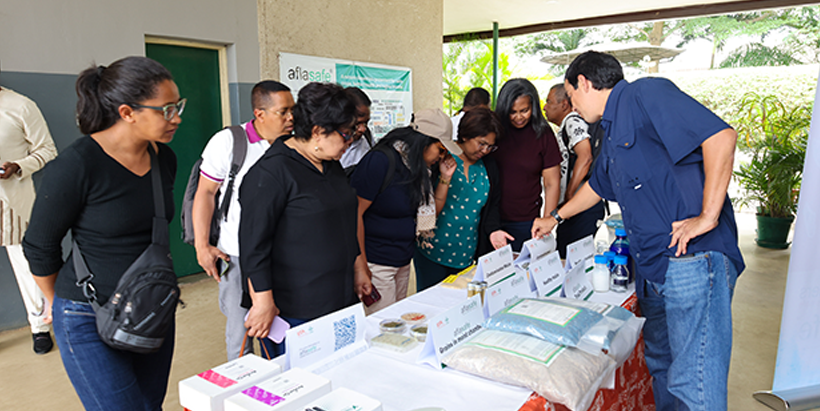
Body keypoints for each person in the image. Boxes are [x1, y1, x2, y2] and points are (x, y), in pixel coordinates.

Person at [532, 51, 744, 411]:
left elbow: (721, 136)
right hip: (653, 267)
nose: (572, 105)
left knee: (695, 382)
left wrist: (708, 216)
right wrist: (556, 216)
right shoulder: (611, 129)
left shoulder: (646, 94)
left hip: (692, 260)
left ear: (584, 82)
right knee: (661, 367)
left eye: (571, 95)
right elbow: (598, 187)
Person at [22, 56, 183, 410]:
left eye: (178, 106)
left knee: (149, 406)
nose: (177, 118)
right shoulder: (76, 165)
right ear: (127, 112)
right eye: (167, 110)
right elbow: (39, 246)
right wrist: (58, 303)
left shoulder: (164, 160)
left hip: (150, 309)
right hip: (86, 316)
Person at [239, 82, 372, 357]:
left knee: (346, 375)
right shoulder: (270, 174)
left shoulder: (330, 165)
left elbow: (346, 221)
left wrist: (359, 268)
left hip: (340, 299)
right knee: (304, 387)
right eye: (346, 134)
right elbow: (254, 245)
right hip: (298, 310)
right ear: (317, 131)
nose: (350, 142)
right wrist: (263, 302)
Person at [192, 80, 294, 360]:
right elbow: (206, 193)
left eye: (292, 111)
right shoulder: (229, 142)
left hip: (282, 255)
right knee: (241, 331)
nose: (291, 118)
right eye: (283, 112)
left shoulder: (292, 145)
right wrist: (202, 246)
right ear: (259, 113)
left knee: (281, 327)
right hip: (237, 255)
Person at [350, 109, 458, 314]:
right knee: (384, 329)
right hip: (376, 263)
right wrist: (361, 267)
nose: (442, 156)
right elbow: (354, 213)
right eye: (441, 149)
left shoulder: (420, 167)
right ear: (424, 140)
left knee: (398, 325)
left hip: (402, 261)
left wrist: (445, 177)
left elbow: (430, 214)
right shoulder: (381, 161)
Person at [413, 107, 512, 291]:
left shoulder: (489, 166)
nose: (485, 150)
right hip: (432, 252)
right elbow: (424, 202)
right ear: (466, 135)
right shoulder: (441, 157)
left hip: (466, 254)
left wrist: (494, 231)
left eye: (490, 146)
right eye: (481, 143)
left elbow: (492, 206)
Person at [0, 85, 58, 354]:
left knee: (26, 266)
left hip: (14, 202)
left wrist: (19, 166)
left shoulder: (20, 105)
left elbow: (47, 149)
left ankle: (40, 328)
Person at [492, 78, 562, 251]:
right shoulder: (494, 131)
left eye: (524, 110)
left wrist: (547, 222)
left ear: (533, 107)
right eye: (512, 112)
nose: (518, 117)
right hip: (491, 220)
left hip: (527, 221)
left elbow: (552, 183)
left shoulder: (543, 134)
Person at [543, 83, 606, 258]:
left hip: (581, 206)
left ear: (564, 104)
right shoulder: (567, 125)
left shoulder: (572, 121)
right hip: (576, 208)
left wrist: (569, 195)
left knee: (570, 259)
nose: (544, 107)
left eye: (549, 102)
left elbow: (585, 157)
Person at [339, 87, 373, 169]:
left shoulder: (367, 138)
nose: (362, 129)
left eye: (366, 123)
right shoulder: (328, 145)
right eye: (357, 124)